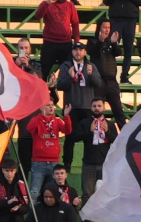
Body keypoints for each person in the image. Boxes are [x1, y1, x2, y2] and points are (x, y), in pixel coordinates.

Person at [57, 41, 103, 173]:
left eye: (80, 50)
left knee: (89, 136)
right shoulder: (66, 66)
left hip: (87, 107)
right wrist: (70, 78)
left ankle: (90, 163)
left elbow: (99, 84)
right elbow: (60, 86)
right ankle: (67, 164)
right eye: (75, 50)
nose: (78, 52)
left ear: (85, 52)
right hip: (72, 107)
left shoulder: (91, 66)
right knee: (70, 137)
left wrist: (92, 74)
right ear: (72, 52)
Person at [24, 102, 72, 202]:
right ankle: (32, 217)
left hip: (54, 162)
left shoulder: (57, 121)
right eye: (47, 105)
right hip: (38, 163)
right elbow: (29, 128)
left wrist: (66, 116)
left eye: (52, 105)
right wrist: (41, 116)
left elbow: (67, 131)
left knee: (53, 192)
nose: (51, 107)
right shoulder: (36, 120)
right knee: (34, 192)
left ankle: (51, 215)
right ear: (41, 107)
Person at [90, 20, 126, 125]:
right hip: (98, 82)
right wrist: (100, 42)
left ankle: (124, 139)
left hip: (112, 83)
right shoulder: (93, 41)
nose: (107, 30)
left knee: (118, 111)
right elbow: (93, 52)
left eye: (108, 27)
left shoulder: (111, 42)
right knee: (96, 111)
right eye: (104, 27)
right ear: (99, 28)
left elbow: (118, 52)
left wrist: (114, 43)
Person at [81, 98, 117, 201]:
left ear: (104, 108)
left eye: (99, 106)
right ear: (90, 108)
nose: (96, 108)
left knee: (105, 194)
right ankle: (86, 218)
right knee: (87, 194)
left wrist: (108, 132)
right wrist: (89, 131)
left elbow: (117, 141)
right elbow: (75, 137)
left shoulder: (110, 124)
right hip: (88, 164)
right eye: (94, 106)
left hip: (104, 164)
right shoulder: (85, 122)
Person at [34, 0, 79, 72]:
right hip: (49, 43)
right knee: (44, 71)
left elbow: (75, 25)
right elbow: (37, 16)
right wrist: (47, 3)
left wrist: (77, 43)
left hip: (66, 43)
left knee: (67, 71)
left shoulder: (70, 5)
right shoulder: (46, 3)